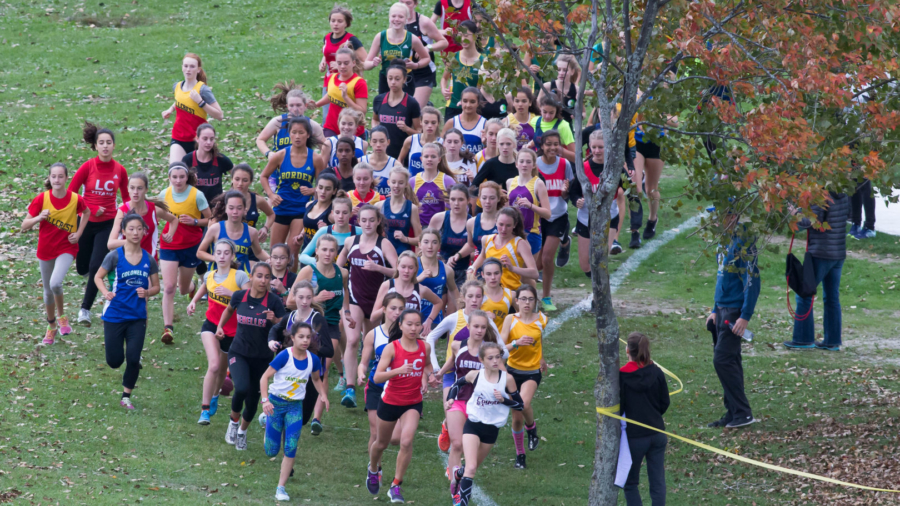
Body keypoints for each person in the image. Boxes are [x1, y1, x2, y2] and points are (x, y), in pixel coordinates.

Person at [365, 309, 435, 503]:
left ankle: (396, 485)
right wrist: (398, 370)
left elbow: (426, 366)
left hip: (413, 402)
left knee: (406, 441)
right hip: (390, 401)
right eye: (409, 324)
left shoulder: (425, 347)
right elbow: (378, 376)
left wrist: (429, 376)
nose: (414, 328)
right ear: (401, 326)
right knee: (381, 443)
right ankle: (373, 469)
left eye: (417, 324)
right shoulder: (392, 348)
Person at [216, 263, 287, 451]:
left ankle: (242, 432)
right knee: (241, 388)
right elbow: (229, 309)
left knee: (253, 399)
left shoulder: (274, 302)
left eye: (267, 277)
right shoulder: (240, 296)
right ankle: (233, 422)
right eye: (259, 276)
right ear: (252, 277)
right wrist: (220, 326)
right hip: (238, 352)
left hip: (262, 358)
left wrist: (274, 320)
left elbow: (284, 327)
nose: (263, 280)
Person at [445, 341, 523, 506]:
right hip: (473, 425)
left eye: (497, 357)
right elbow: (457, 384)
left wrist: (504, 400)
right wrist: (450, 398)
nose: (495, 361)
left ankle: (458, 474)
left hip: (492, 430)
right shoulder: (475, 375)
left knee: (469, 468)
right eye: (490, 358)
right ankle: (460, 501)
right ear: (482, 360)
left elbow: (520, 405)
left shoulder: (507, 379)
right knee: (471, 468)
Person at [95, 214, 160, 410]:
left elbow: (157, 287)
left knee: (133, 358)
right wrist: (106, 292)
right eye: (131, 228)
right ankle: (118, 358)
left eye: (139, 228)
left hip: (137, 317)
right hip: (114, 315)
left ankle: (126, 397)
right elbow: (98, 277)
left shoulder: (149, 258)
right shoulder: (114, 255)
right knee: (115, 361)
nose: (135, 232)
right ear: (123, 231)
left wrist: (148, 291)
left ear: (144, 232)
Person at [336, 205, 399, 408]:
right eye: (364, 220)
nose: (368, 224)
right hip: (355, 298)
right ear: (358, 222)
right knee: (353, 339)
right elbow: (339, 266)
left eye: (372, 220)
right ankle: (350, 388)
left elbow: (398, 272)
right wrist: (338, 275)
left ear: (378, 221)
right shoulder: (350, 241)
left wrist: (378, 267)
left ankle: (370, 384)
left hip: (377, 302)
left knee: (369, 346)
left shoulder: (384, 243)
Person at [428, 284, 500, 460]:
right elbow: (430, 337)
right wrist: (437, 368)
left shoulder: (486, 322)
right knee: (451, 409)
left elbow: (501, 347)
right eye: (470, 296)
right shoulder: (454, 318)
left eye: (478, 296)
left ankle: (459, 460)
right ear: (463, 298)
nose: (474, 300)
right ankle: (448, 431)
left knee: (470, 422)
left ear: (483, 299)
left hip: (476, 378)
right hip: (452, 375)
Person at [260, 321, 330, 502]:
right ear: (292, 338)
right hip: (275, 404)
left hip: (294, 407)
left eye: (308, 337)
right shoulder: (284, 356)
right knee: (271, 451)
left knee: (291, 446)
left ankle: (281, 488)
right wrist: (265, 400)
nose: (305, 340)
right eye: (301, 336)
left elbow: (316, 379)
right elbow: (265, 377)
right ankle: (265, 420)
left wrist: (323, 395)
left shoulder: (313, 359)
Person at [68, 123, 130, 327]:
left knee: (96, 267)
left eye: (108, 143)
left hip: (108, 224)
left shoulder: (120, 170)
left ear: (113, 146)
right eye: (101, 143)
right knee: (82, 267)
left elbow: (127, 198)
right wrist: (90, 209)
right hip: (85, 222)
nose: (105, 146)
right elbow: (71, 194)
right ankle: (90, 274)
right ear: (95, 146)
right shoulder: (88, 167)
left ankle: (85, 309)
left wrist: (130, 220)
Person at [23, 163, 89, 344]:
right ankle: (51, 325)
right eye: (54, 177)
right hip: (45, 250)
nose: (57, 180)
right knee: (47, 292)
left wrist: (79, 233)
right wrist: (39, 218)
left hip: (67, 247)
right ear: (50, 179)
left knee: (56, 283)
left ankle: (62, 317)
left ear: (66, 178)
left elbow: (87, 212)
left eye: (61, 176)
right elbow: (24, 225)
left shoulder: (76, 199)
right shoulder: (42, 199)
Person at [705, 209, 759, 428]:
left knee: (723, 360)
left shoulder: (744, 244)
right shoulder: (724, 241)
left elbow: (752, 282)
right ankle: (733, 411)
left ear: (732, 216)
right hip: (722, 309)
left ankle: (743, 413)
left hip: (735, 311)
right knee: (731, 361)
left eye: (719, 215)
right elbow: (721, 278)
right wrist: (714, 309)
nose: (715, 220)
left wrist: (745, 316)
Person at [187, 239, 251, 425]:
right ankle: (204, 410)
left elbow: (251, 299)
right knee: (214, 366)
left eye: (226, 253)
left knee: (222, 370)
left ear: (232, 256)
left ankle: (215, 395)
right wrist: (193, 301)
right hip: (211, 326)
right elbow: (205, 286)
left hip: (233, 332)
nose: (222, 256)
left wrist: (232, 295)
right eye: (218, 253)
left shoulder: (239, 276)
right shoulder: (209, 274)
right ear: (214, 256)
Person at [296, 235, 355, 433]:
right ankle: (291, 405)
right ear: (317, 251)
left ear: (336, 252)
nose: (328, 254)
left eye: (332, 250)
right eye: (324, 250)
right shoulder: (308, 272)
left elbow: (344, 290)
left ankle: (317, 418)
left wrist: (346, 312)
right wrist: (315, 299)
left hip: (330, 326)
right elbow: (290, 300)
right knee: (301, 369)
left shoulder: (342, 273)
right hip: (308, 324)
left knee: (322, 368)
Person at [267, 280, 335, 436]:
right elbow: (274, 331)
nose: (304, 302)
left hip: (311, 375)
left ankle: (273, 419)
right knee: (289, 412)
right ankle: (282, 441)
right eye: (301, 297)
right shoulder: (289, 317)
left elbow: (329, 350)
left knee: (303, 419)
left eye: (308, 298)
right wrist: (272, 342)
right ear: (294, 297)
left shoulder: (317, 319)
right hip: (288, 372)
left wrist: (307, 350)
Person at [784, 192, 849, 352]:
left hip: (821, 251)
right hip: (838, 252)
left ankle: (803, 339)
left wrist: (794, 214)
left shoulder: (820, 194)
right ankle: (832, 341)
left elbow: (810, 222)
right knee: (832, 297)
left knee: (804, 294)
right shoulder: (844, 193)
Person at [261, 117, 326, 269]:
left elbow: (324, 186)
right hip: (281, 208)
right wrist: (271, 195)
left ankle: (290, 285)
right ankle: (274, 284)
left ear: (308, 134)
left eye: (301, 132)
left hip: (301, 209)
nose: (297, 136)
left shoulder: (316, 158)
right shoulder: (280, 155)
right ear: (289, 134)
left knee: (292, 250)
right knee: (276, 252)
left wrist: (313, 190)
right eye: (294, 132)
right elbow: (263, 176)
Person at [158, 162, 212, 344]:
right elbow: (154, 215)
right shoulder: (164, 195)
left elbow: (210, 220)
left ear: (187, 177)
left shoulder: (197, 195)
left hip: (191, 247)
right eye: (175, 177)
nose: (178, 180)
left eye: (182, 177)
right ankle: (168, 328)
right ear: (169, 178)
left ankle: (191, 287)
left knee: (182, 289)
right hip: (169, 246)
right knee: (169, 287)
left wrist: (195, 222)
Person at [499, 284, 548, 469]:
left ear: (535, 301)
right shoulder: (510, 319)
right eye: (523, 299)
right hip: (511, 372)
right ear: (516, 301)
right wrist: (516, 343)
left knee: (524, 404)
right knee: (516, 418)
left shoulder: (543, 319)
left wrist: (541, 357)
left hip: (532, 372)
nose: (526, 303)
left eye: (530, 299)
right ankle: (520, 455)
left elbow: (539, 338)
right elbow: (501, 347)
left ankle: (531, 427)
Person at [620, 332, 670, 506]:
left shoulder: (622, 376)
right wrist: (653, 416)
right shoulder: (656, 372)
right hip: (657, 433)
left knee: (630, 483)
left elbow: (619, 407)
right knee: (657, 481)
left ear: (627, 350)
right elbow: (665, 401)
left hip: (635, 438)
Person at [357, 292, 407, 458]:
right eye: (393, 308)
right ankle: (374, 469)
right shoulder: (374, 334)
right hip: (376, 387)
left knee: (395, 438)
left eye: (401, 309)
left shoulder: (408, 336)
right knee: (376, 433)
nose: (397, 312)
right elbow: (364, 362)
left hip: (399, 388)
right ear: (384, 309)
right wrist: (360, 372)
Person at [570, 132, 623, 274]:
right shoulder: (583, 167)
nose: (597, 151)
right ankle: (595, 285)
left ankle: (599, 292)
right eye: (594, 147)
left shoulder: (615, 168)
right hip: (585, 218)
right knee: (585, 265)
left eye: (601, 147)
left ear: (608, 148)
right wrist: (577, 201)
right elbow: (573, 191)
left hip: (609, 217)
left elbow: (630, 189)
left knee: (601, 259)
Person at [535, 131, 574, 310]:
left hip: (557, 215)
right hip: (537, 216)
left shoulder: (565, 164)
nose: (552, 147)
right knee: (536, 263)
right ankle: (527, 297)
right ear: (541, 146)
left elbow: (570, 191)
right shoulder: (534, 164)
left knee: (547, 258)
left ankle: (546, 297)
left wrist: (566, 192)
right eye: (548, 144)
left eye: (556, 144)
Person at [162, 53, 224, 163]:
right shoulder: (177, 86)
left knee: (196, 178)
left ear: (198, 69)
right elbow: (180, 100)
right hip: (178, 138)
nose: (188, 69)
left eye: (192, 66)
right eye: (185, 66)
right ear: (182, 67)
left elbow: (219, 115)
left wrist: (201, 102)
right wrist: (170, 110)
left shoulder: (202, 90)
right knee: (175, 173)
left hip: (198, 141)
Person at [363, 2, 431, 95]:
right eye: (394, 16)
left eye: (401, 17)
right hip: (385, 80)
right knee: (385, 109)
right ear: (389, 17)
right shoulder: (380, 37)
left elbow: (426, 58)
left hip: (405, 81)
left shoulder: (412, 39)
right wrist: (373, 63)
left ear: (406, 19)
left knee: (405, 109)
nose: (396, 19)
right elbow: (366, 64)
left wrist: (416, 65)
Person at [108, 172, 177, 261]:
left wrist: (170, 235)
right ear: (128, 189)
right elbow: (111, 243)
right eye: (132, 188)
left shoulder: (154, 209)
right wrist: (132, 240)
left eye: (140, 188)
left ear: (146, 190)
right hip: (127, 263)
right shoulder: (122, 211)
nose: (135, 192)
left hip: (149, 261)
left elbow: (174, 220)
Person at [467, 207, 539, 291]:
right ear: (495, 222)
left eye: (508, 225)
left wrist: (512, 268)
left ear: (514, 225)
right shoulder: (486, 240)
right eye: (501, 224)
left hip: (511, 293)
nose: (504, 229)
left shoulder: (520, 244)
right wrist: (472, 268)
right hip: (490, 292)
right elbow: (483, 256)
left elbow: (535, 274)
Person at [198, 191, 270, 272]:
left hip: (242, 279)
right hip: (217, 278)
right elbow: (200, 252)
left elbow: (259, 252)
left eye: (239, 208)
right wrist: (216, 258)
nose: (235, 212)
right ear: (225, 209)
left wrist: (271, 259)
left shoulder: (252, 232)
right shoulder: (215, 229)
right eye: (231, 208)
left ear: (245, 210)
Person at [256, 83, 325, 167]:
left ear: (305, 106)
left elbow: (325, 149)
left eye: (298, 105)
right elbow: (260, 140)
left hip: (303, 175)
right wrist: (268, 153)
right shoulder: (277, 122)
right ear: (287, 106)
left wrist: (320, 164)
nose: (295, 109)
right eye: (292, 105)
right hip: (277, 175)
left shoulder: (313, 126)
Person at [319, 5, 368, 119]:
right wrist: (323, 62)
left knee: (348, 117)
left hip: (348, 83)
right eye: (333, 21)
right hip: (330, 81)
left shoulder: (352, 40)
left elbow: (365, 62)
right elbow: (327, 52)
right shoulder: (326, 38)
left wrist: (342, 65)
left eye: (340, 21)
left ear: (346, 23)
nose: (335, 24)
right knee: (328, 115)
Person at [401, 0, 449, 107]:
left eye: (408, 3)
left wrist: (427, 48)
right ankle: (427, 107)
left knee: (415, 111)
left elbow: (443, 42)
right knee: (403, 111)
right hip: (404, 73)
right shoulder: (396, 22)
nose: (404, 6)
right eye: (401, 2)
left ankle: (424, 107)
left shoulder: (424, 22)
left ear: (415, 4)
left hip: (424, 73)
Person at [312, 48, 368, 138]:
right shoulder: (331, 77)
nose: (342, 66)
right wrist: (316, 104)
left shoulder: (359, 83)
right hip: (331, 127)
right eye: (339, 63)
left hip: (352, 130)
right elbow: (331, 95)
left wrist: (346, 97)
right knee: (328, 150)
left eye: (346, 63)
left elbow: (362, 111)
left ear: (353, 63)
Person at [507, 148, 551, 260]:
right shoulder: (510, 182)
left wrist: (530, 205)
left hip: (531, 233)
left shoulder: (538, 184)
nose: (524, 165)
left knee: (527, 274)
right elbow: (507, 208)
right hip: (511, 232)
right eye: (521, 161)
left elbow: (547, 214)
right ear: (516, 164)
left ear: (534, 165)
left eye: (528, 162)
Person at [372, 63, 422, 159]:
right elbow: (375, 119)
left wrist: (407, 129)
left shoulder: (411, 103)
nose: (393, 82)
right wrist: (375, 129)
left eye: (397, 79)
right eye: (390, 78)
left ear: (404, 79)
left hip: (403, 156)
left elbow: (419, 133)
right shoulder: (378, 100)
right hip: (382, 155)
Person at [298, 195, 362, 267]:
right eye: (337, 212)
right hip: (328, 276)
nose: (341, 216)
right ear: (332, 213)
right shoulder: (324, 231)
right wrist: (319, 261)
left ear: (351, 214)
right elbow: (303, 256)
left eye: (345, 213)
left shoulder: (360, 232)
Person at [429, 184, 472, 288]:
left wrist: (458, 256)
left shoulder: (472, 222)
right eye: (453, 199)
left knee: (458, 303)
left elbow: (475, 251)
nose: (456, 203)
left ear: (468, 200)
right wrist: (440, 260)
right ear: (448, 201)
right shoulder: (438, 218)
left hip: (463, 273)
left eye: (461, 199)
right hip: (440, 270)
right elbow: (425, 245)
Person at [416, 228, 459, 328]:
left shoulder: (447, 270)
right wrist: (418, 279)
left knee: (428, 344)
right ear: (419, 245)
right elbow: (401, 287)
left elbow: (454, 291)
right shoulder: (412, 266)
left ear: (439, 245)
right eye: (426, 242)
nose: (430, 246)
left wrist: (464, 313)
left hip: (434, 318)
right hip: (412, 316)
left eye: (434, 242)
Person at [441, 22, 483, 121]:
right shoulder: (453, 57)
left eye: (466, 35)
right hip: (453, 106)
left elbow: (482, 89)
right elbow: (444, 77)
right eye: (460, 36)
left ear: (475, 36)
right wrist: (443, 89)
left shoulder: (482, 61)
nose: (463, 39)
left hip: (473, 108)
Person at [376, 166, 423, 255]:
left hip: (403, 257)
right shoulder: (379, 206)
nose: (396, 186)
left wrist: (406, 239)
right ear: (388, 182)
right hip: (383, 256)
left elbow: (420, 239)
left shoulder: (412, 208)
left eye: (400, 183)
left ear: (406, 184)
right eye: (393, 182)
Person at [183, 123, 233, 205]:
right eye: (205, 139)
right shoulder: (187, 160)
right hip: (194, 206)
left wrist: (230, 193)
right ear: (197, 139)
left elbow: (237, 174)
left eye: (212, 139)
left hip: (216, 208)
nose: (209, 142)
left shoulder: (221, 159)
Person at [230, 164, 274, 250]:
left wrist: (265, 228)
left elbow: (271, 214)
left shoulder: (257, 200)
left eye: (245, 180)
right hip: (228, 248)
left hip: (250, 247)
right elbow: (212, 222)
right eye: (237, 179)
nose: (240, 184)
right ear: (232, 179)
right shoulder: (222, 200)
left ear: (251, 181)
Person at [413, 142, 458, 227]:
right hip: (419, 229)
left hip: (441, 227)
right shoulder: (413, 181)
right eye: (426, 156)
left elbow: (458, 204)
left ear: (439, 159)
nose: (429, 159)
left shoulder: (447, 180)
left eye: (433, 156)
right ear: (421, 159)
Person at [460, 181, 504, 263]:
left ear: (498, 198)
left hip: (500, 270)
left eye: (492, 198)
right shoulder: (471, 222)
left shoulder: (505, 221)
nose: (487, 201)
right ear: (479, 198)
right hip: (479, 269)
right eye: (484, 198)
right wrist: (458, 255)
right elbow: (470, 245)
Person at [527, 95, 576, 163]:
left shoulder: (563, 126)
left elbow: (575, 156)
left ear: (557, 110)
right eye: (544, 112)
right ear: (540, 108)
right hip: (539, 163)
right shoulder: (534, 121)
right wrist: (530, 144)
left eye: (551, 113)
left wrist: (560, 150)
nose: (547, 116)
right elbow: (540, 138)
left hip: (557, 164)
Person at [297, 173, 339, 249]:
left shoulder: (333, 214)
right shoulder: (309, 205)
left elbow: (342, 236)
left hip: (324, 257)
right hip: (306, 253)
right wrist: (301, 234)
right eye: (320, 187)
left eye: (328, 189)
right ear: (316, 188)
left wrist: (328, 230)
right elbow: (308, 224)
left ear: (334, 191)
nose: (323, 192)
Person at [398, 106, 443, 177]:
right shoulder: (411, 140)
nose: (430, 126)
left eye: (433, 123)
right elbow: (400, 160)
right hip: (413, 185)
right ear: (421, 122)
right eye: (426, 122)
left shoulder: (442, 144)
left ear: (438, 123)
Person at [470, 127, 518, 192]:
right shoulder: (491, 164)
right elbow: (473, 187)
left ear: (514, 145)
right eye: (502, 144)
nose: (505, 147)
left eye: (508, 144)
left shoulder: (520, 164)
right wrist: (494, 192)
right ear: (497, 144)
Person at [538, 54, 580, 124]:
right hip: (548, 128)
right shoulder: (547, 87)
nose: (561, 73)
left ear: (572, 71)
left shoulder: (576, 90)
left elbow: (583, 113)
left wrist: (578, 116)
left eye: (565, 70)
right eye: (558, 69)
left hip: (567, 128)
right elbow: (538, 108)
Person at [442, 86, 486, 151]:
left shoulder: (485, 124)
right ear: (461, 102)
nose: (468, 105)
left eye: (472, 102)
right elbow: (441, 147)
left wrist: (485, 144)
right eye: (465, 101)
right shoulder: (451, 123)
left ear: (478, 103)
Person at [361, 126, 400, 198]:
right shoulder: (361, 162)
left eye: (382, 141)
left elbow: (405, 190)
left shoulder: (396, 165)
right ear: (370, 142)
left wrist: (399, 194)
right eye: (374, 141)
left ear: (388, 142)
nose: (378, 145)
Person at [479, 259, 516, 328]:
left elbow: (523, 316)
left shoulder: (511, 295)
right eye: (489, 274)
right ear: (482, 275)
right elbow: (467, 316)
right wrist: (483, 316)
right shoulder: (477, 294)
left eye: (496, 273)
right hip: (481, 337)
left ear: (501, 273)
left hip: (502, 337)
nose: (493, 277)